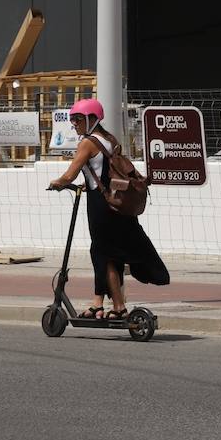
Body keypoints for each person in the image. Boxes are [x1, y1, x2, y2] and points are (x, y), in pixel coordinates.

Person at [48, 98, 169, 319]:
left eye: (77, 119)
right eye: (72, 119)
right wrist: (89, 184)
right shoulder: (109, 138)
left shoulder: (87, 143)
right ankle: (116, 306)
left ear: (92, 119)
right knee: (111, 255)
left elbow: (69, 174)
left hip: (101, 207)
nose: (74, 123)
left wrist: (58, 182)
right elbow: (105, 171)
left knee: (100, 252)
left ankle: (100, 304)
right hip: (115, 203)